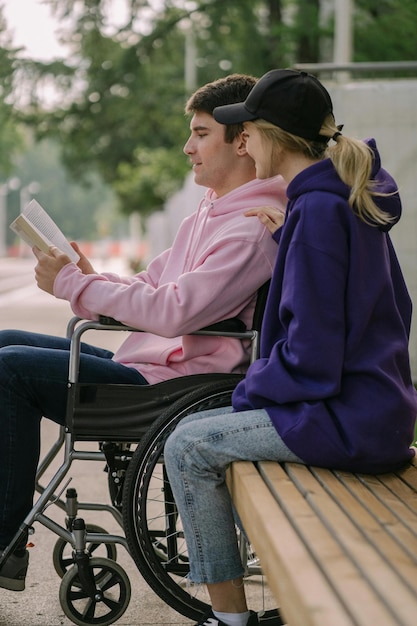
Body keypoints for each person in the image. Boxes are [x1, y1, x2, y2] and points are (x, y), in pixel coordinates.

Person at [0, 73, 288, 592]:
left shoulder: (249, 228)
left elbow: (175, 310)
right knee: (2, 342)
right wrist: (88, 278)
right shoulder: (209, 214)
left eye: (201, 134)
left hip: (175, 387)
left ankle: (4, 543)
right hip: (151, 369)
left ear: (242, 140)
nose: (188, 147)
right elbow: (151, 284)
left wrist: (73, 286)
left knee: (8, 370)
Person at [164, 68, 417, 626]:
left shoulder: (321, 212)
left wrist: (249, 389)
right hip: (375, 410)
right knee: (206, 432)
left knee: (188, 445)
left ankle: (228, 620)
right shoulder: (337, 199)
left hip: (347, 421)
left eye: (246, 128)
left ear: (273, 135)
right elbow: (394, 306)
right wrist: (292, 239)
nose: (242, 139)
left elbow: (311, 359)